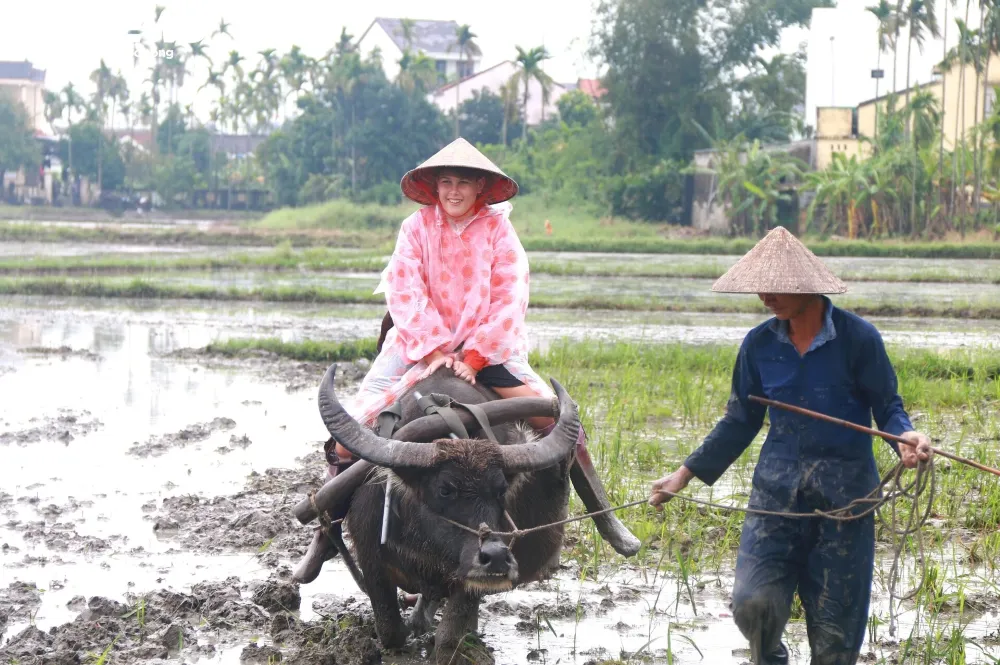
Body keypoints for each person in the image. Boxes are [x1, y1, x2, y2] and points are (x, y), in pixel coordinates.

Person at [294, 137, 580, 584]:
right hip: (415, 346)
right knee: (348, 435)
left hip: (488, 350)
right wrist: (432, 351)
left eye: (463, 183)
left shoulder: (499, 232)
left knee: (560, 424)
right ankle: (328, 530)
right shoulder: (416, 228)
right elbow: (403, 291)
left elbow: (510, 297)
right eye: (446, 182)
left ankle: (576, 521)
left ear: (481, 188)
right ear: (434, 187)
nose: (453, 191)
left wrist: (474, 356)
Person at [647, 226, 932, 665]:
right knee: (752, 604)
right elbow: (740, 420)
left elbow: (888, 408)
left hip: (846, 500)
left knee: (836, 635)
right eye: (759, 287)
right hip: (775, 496)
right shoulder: (759, 345)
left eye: (775, 287)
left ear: (807, 287)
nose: (765, 296)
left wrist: (906, 439)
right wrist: (683, 475)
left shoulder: (859, 340)